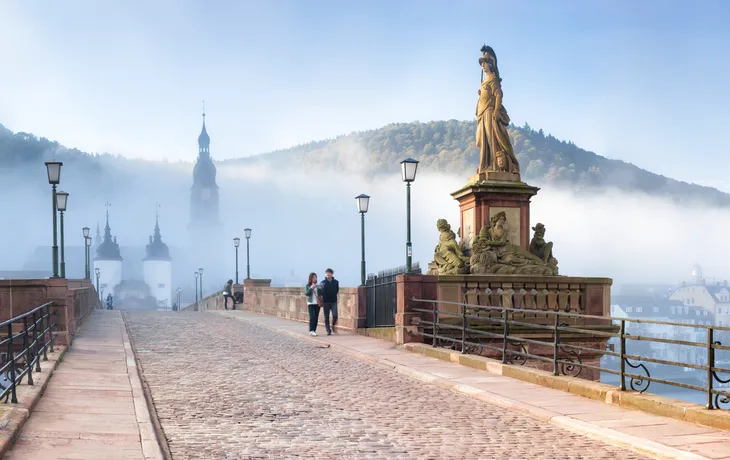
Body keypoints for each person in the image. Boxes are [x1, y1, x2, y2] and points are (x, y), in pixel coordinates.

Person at [320, 268, 339, 335]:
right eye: (326, 273)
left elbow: (337, 290)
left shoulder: (336, 282)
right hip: (325, 301)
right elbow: (321, 292)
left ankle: (333, 325)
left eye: (329, 273)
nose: (328, 275)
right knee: (326, 317)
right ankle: (328, 330)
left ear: (331, 274)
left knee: (335, 315)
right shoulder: (323, 282)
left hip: (333, 300)